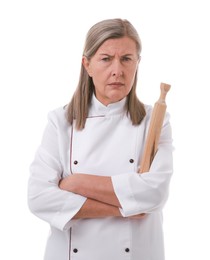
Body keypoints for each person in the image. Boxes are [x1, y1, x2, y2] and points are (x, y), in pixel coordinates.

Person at [28, 18, 173, 260]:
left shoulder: (155, 121)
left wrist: (76, 183)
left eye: (126, 59)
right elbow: (39, 198)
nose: (117, 70)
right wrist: (122, 208)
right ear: (87, 65)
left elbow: (154, 194)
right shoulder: (60, 122)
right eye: (106, 59)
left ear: (137, 63)